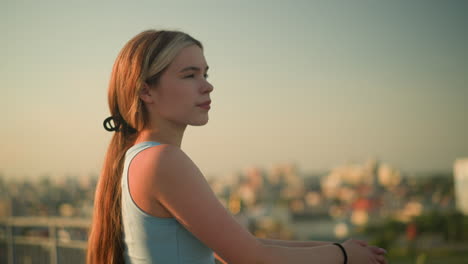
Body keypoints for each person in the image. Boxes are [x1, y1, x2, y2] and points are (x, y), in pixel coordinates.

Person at [86, 29, 388, 264]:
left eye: (205, 73)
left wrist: (336, 248)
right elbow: (250, 257)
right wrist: (344, 256)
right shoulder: (162, 160)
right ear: (145, 91)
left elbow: (241, 244)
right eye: (189, 75)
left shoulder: (140, 156)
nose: (207, 85)